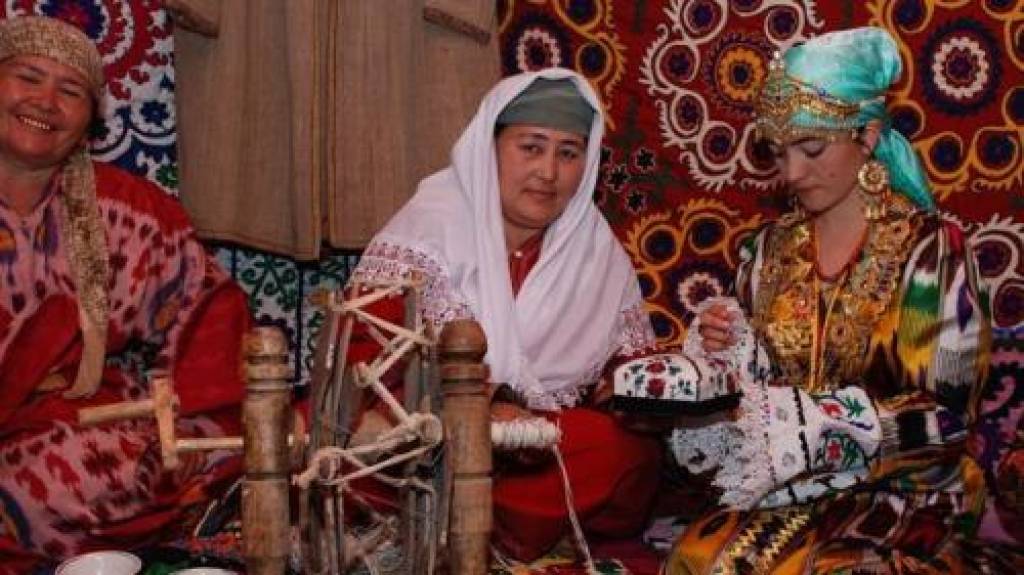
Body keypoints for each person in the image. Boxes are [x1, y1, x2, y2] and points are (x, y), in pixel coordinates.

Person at [662, 27, 1024, 574]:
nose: (792, 173)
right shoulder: (768, 251)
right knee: (696, 558)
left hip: (906, 489)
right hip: (789, 490)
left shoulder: (927, 253)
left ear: (869, 135)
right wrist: (727, 353)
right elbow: (754, 401)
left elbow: (946, 420)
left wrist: (824, 428)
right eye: (778, 152)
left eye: (812, 148)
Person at [347, 68, 662, 561]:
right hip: (430, 438)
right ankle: (502, 525)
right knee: (350, 448)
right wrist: (482, 405)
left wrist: (643, 395)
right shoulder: (428, 228)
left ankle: (450, 525)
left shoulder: (597, 253)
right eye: (530, 147)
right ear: (489, 148)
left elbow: (629, 369)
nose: (548, 172)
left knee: (621, 453)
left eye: (568, 153)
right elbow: (364, 353)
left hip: (537, 449)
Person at [0, 16, 250, 572]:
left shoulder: (126, 208)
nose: (46, 102)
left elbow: (208, 306)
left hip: (80, 429)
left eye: (71, 91)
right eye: (28, 77)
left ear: (90, 120)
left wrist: (195, 428)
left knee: (110, 467)